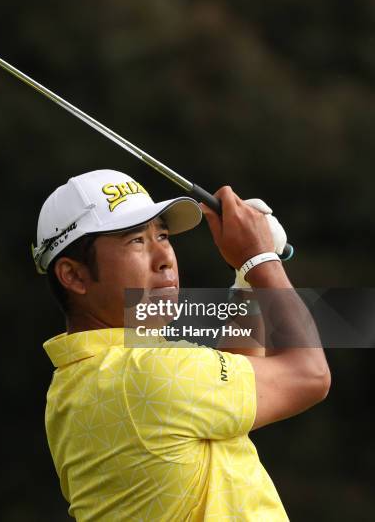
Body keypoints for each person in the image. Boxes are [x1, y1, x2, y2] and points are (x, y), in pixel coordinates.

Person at [33, 169, 330, 521]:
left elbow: (231, 395)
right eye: (136, 241)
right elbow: (309, 375)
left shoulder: (73, 386)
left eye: (162, 234)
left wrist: (246, 282)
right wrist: (260, 259)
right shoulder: (149, 374)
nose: (164, 257)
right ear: (75, 275)